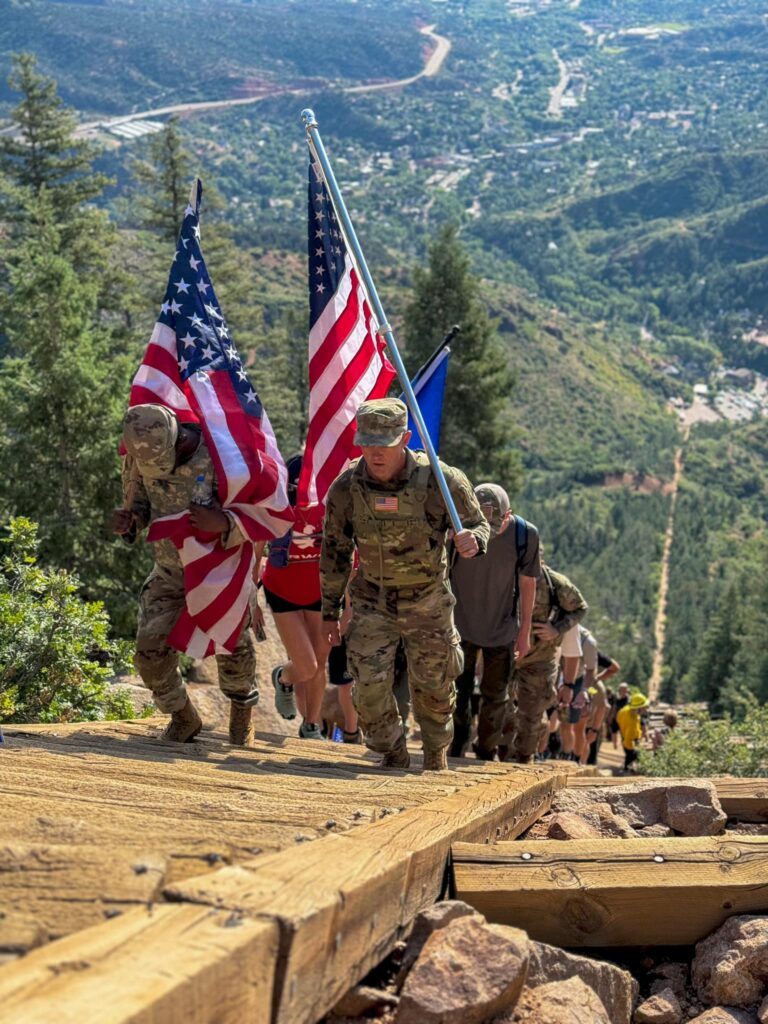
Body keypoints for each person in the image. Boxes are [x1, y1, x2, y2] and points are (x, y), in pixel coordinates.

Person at [320, 398, 490, 770]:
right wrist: (330, 611)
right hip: (372, 600)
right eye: (367, 443)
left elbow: (477, 523)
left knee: (434, 686)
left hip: (427, 600)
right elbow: (334, 550)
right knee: (368, 687)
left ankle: (434, 755)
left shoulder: (441, 480)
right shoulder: (347, 487)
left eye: (385, 444)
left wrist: (474, 540)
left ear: (406, 438)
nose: (375, 453)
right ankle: (392, 750)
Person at [111, 404, 259, 745]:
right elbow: (140, 504)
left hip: (220, 571)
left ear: (178, 439)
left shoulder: (223, 455)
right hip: (170, 571)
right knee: (148, 653)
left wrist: (224, 523)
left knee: (233, 647)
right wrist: (130, 522)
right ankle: (183, 717)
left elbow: (261, 515)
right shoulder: (139, 453)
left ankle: (241, 715)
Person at [449, 485, 540, 761]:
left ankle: (486, 750)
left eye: (494, 526)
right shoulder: (458, 529)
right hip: (460, 626)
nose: (487, 533)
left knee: (496, 697)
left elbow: (528, 582)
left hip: (501, 628)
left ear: (508, 515)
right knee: (458, 692)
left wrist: (525, 631)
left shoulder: (524, 535)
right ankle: (457, 746)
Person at [261, 455, 328, 740]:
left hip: (320, 592)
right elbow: (257, 544)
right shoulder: (277, 509)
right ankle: (284, 677)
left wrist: (347, 605)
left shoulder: (331, 509)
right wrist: (251, 595)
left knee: (320, 663)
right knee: (306, 665)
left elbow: (348, 558)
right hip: (282, 591)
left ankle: (312, 726)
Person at [502, 560, 588, 763]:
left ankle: (525, 756)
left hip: (539, 661)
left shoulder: (556, 589)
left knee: (532, 715)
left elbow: (572, 653)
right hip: (505, 654)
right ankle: (503, 752)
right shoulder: (505, 576)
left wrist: (557, 629)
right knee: (500, 708)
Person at [558, 624, 597, 761]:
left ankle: (573, 757)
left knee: (573, 724)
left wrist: (584, 691)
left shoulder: (588, 642)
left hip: (578, 681)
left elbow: (591, 670)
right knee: (560, 722)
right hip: (555, 674)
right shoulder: (555, 628)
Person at [616, 691, 649, 770]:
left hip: (626, 735)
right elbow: (628, 742)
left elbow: (618, 718)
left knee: (630, 758)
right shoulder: (631, 724)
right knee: (632, 757)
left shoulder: (626, 710)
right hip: (630, 741)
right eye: (644, 707)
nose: (646, 709)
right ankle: (627, 769)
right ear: (638, 708)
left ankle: (627, 767)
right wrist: (634, 751)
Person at [610, 681, 630, 748]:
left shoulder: (628, 699)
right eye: (622, 689)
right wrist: (611, 716)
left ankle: (623, 744)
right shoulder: (615, 697)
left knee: (624, 732)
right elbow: (613, 707)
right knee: (614, 732)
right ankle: (615, 744)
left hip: (624, 719)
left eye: (625, 689)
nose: (623, 691)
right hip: (615, 717)